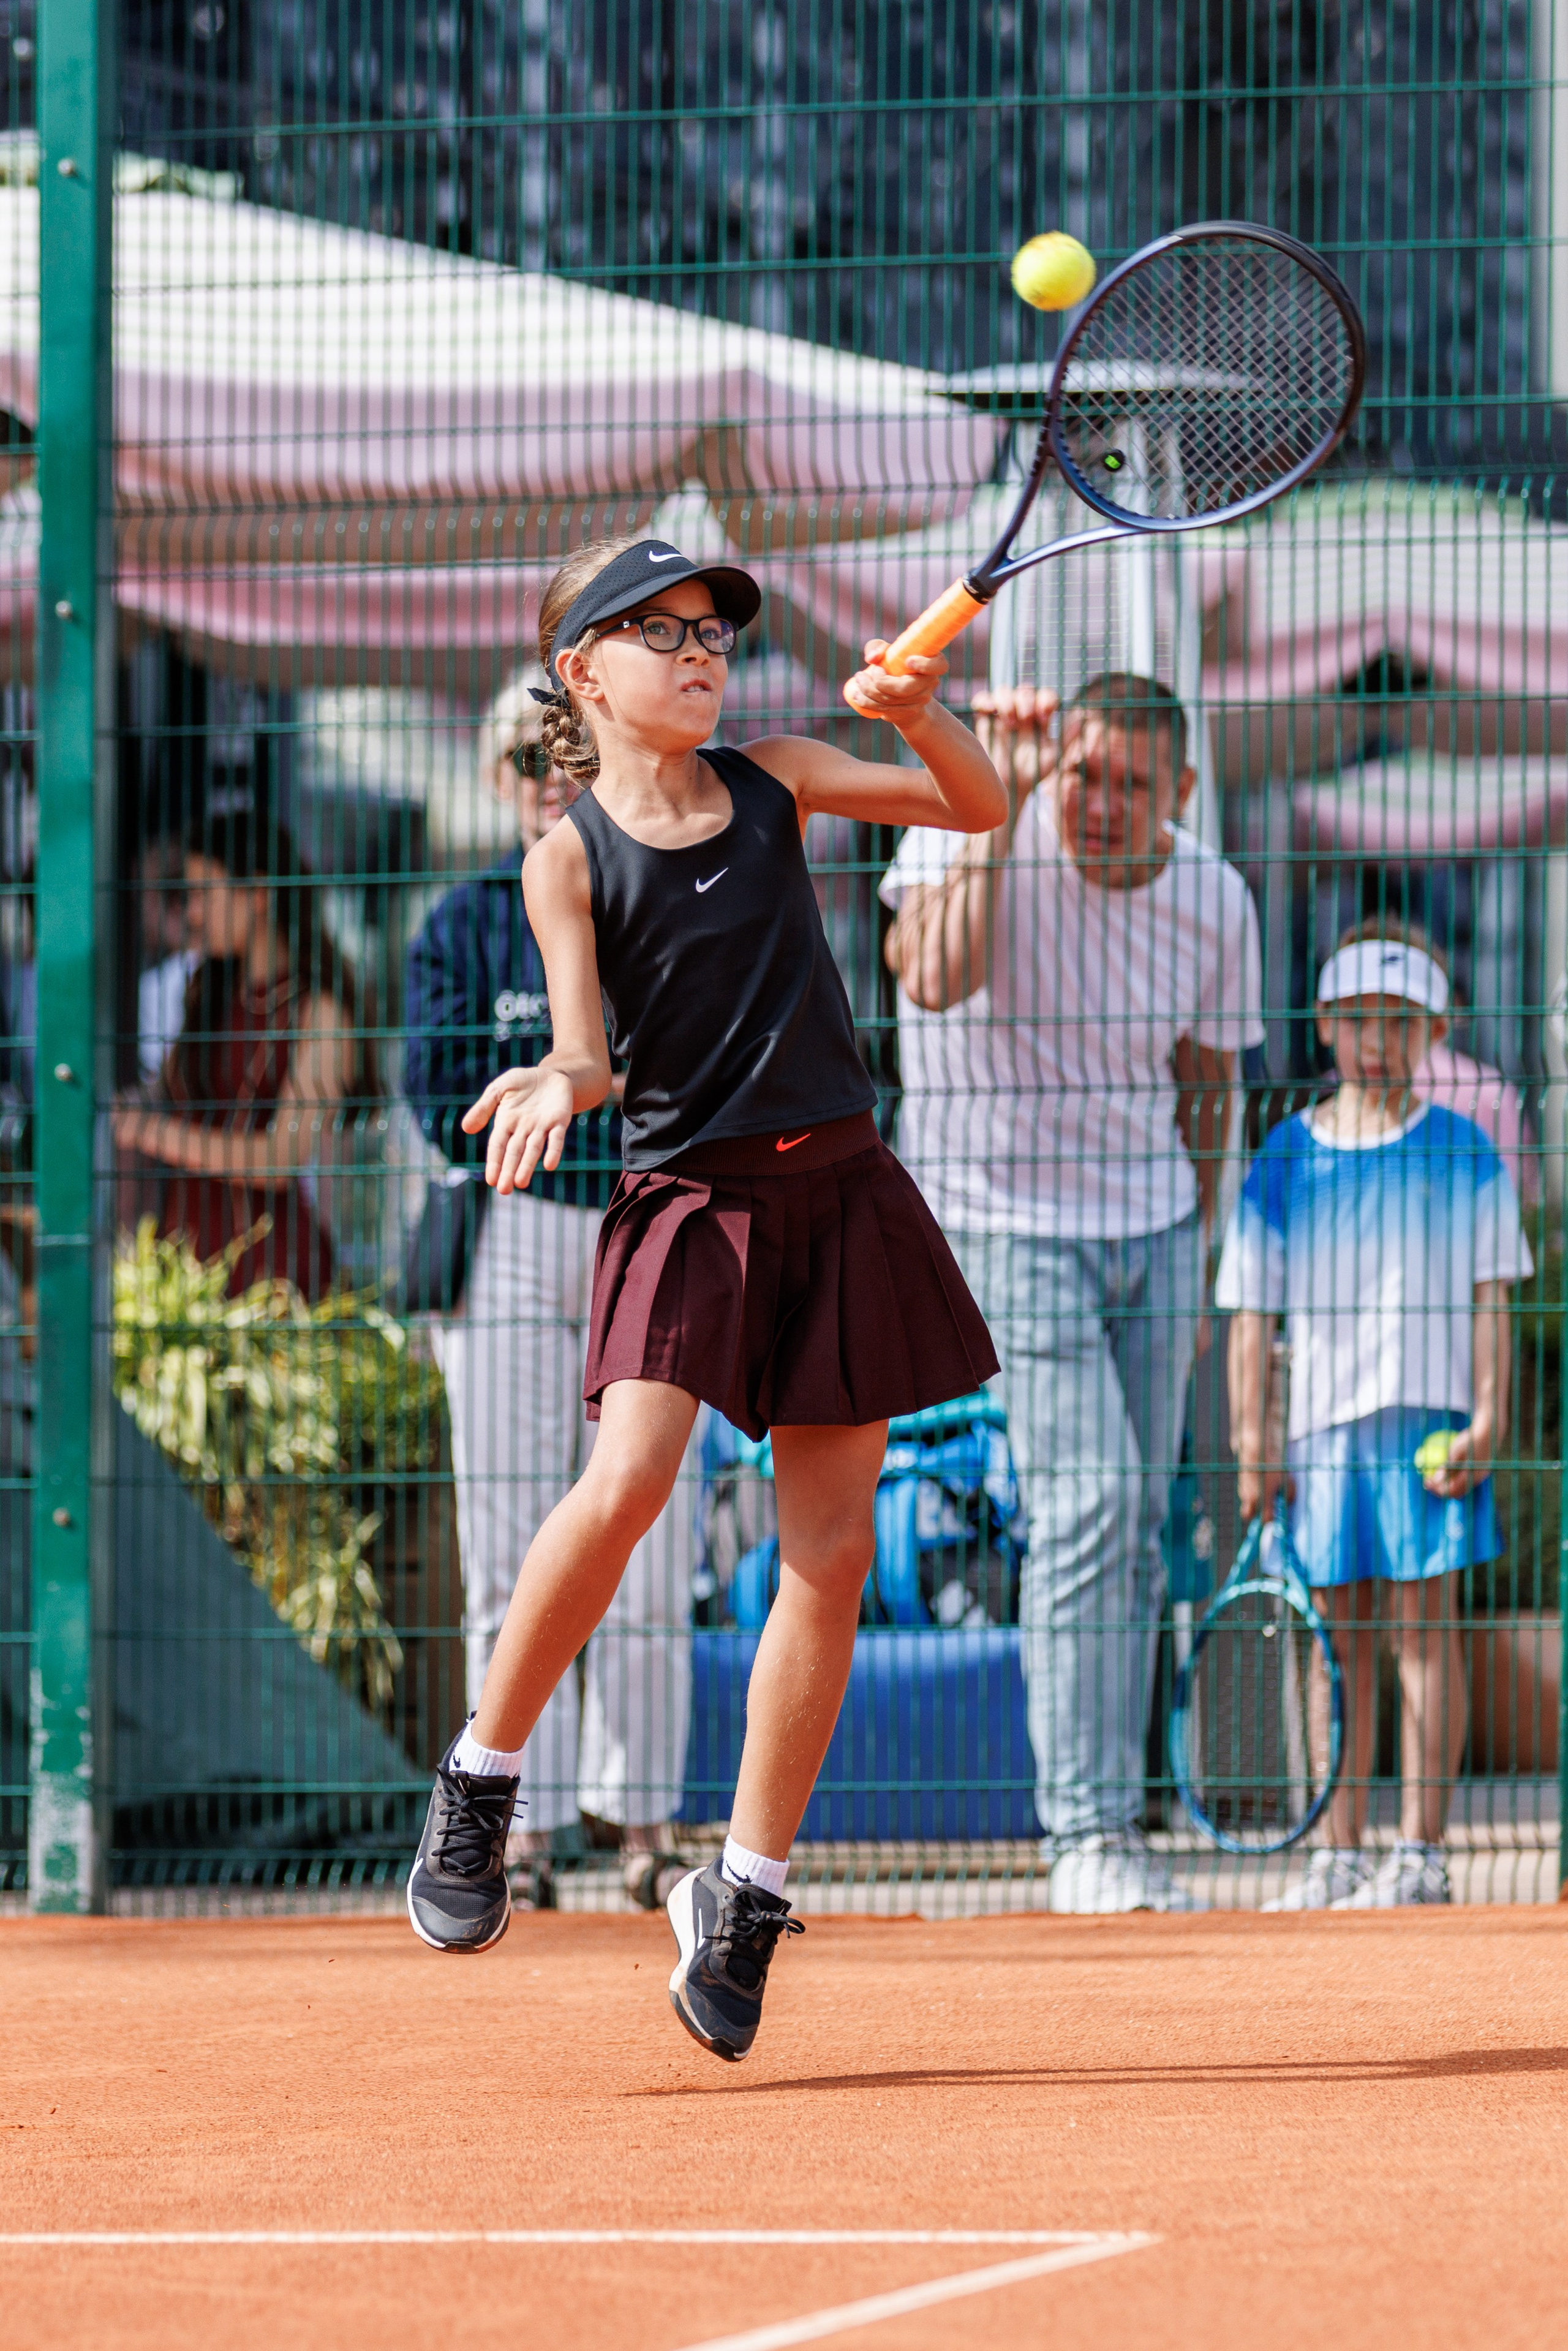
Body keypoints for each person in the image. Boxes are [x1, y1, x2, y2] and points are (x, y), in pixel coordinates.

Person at [404, 534, 1003, 2064]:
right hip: (689, 1204)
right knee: (626, 1484)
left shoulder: (780, 777)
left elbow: (973, 805)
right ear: (581, 672)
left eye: (712, 633)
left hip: (841, 1189)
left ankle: (740, 1893)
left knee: (830, 1553)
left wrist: (919, 709)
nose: (697, 654)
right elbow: (590, 1054)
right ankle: (481, 1778)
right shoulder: (564, 860)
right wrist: (558, 1076)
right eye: (658, 631)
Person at [881, 676, 1264, 1914]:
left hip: (1153, 1226)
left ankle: (1113, 1824)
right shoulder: (971, 807)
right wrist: (997, 804)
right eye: (1083, 773)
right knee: (1090, 1501)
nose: (1098, 802)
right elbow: (926, 975)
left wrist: (1199, 1246)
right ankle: (1087, 1830)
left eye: (1130, 785)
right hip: (1003, 1218)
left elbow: (1209, 1080)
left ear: (1180, 793)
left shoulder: (1214, 894)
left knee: (1135, 1522)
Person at [404, 668, 699, 1914]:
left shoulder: (658, 895)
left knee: (656, 1532)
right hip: (515, 1224)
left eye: (569, 759)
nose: (551, 781)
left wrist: (563, 1091)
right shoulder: (464, 920)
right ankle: (513, 1823)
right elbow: (439, 1093)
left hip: (646, 1218)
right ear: (498, 778)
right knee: (509, 1527)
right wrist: (570, 1095)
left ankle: (644, 1818)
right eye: (531, 761)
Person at [1217, 926, 1531, 1909]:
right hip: (1317, 1436)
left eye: (1400, 1022)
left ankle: (1422, 1854)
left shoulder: (1466, 1149)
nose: (1378, 1040)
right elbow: (1250, 1312)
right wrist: (1253, 1438)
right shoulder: (1284, 1156)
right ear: (1325, 1024)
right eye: (1359, 1019)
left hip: (1430, 1431)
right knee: (1335, 1643)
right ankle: (1338, 1852)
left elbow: (1492, 1296)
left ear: (1435, 1030)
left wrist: (1488, 1419)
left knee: (1425, 1633)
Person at [110, 818, 358, 1300]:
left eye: (204, 893)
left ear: (258, 894)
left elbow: (281, 1160)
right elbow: (168, 1096)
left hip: (270, 1276)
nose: (193, 913)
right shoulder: (205, 992)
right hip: (181, 1270)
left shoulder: (321, 1010)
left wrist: (152, 1132)